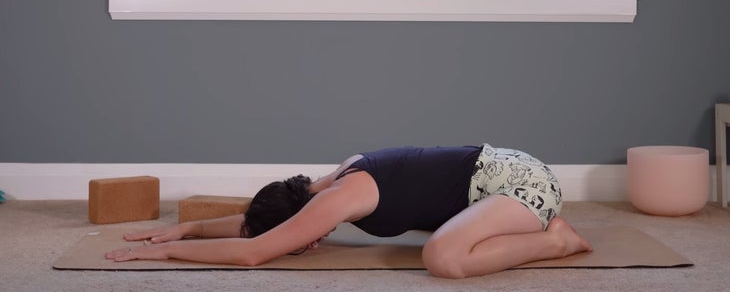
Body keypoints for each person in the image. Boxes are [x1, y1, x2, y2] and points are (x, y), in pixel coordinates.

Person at [105, 143, 592, 278]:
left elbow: (255, 251)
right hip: (502, 173)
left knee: (443, 258)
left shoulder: (338, 198)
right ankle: (542, 234)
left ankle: (557, 240)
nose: (305, 244)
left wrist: (168, 258)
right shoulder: (327, 184)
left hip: (521, 185)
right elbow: (263, 226)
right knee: (448, 245)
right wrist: (189, 229)